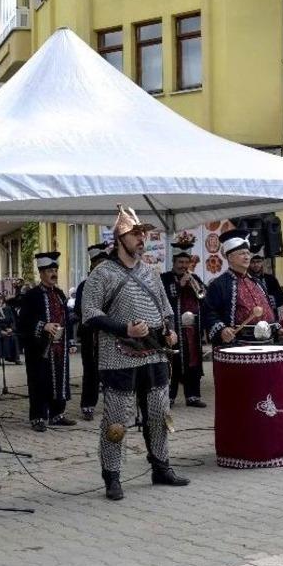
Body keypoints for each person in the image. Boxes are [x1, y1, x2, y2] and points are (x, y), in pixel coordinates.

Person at [79, 205, 188, 500]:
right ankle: (112, 476)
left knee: (159, 412)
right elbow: (89, 314)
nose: (142, 239)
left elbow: (165, 310)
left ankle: (161, 466)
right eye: (135, 234)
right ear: (120, 238)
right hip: (118, 354)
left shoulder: (150, 272)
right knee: (116, 420)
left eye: (143, 234)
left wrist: (169, 329)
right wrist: (125, 329)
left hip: (154, 352)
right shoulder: (103, 273)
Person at [17, 252, 75, 432]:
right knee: (39, 382)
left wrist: (70, 340)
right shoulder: (31, 295)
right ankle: (38, 417)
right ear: (41, 273)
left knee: (59, 380)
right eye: (50, 270)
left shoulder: (59, 294)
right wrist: (43, 326)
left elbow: (66, 318)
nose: (54, 273)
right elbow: (23, 321)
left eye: (55, 269)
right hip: (39, 348)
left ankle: (57, 414)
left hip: (59, 347)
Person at [204, 230, 281, 345]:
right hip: (238, 344)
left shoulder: (257, 282)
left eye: (248, 253)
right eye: (242, 254)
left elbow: (269, 310)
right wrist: (222, 330)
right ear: (230, 257)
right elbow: (209, 312)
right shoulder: (219, 284)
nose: (247, 257)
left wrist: (278, 328)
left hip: (266, 342)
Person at [160, 240, 207, 408]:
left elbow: (203, 296)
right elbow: (163, 298)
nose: (184, 266)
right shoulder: (164, 278)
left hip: (192, 330)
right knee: (173, 361)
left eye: (187, 262)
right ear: (173, 263)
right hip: (173, 328)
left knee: (192, 361)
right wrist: (180, 285)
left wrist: (194, 285)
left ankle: (193, 396)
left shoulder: (195, 278)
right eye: (180, 262)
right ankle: (169, 397)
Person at [74, 242, 111, 421]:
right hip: (91, 334)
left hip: (110, 334)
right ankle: (88, 405)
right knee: (91, 370)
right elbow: (80, 311)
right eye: (99, 263)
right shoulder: (84, 286)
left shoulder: (113, 284)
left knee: (112, 370)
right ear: (92, 265)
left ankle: (114, 405)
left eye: (105, 263)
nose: (103, 267)